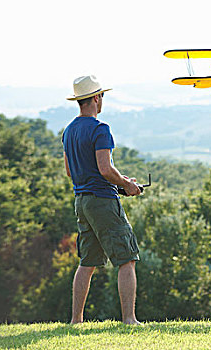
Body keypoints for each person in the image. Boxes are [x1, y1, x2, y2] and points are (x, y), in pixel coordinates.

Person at [62, 75, 142, 325]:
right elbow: (105, 169)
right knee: (126, 258)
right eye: (102, 96)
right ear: (96, 98)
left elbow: (69, 171)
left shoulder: (69, 131)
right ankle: (129, 319)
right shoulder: (100, 129)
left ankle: (76, 321)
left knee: (87, 262)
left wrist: (116, 180)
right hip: (102, 202)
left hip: (81, 202)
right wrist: (126, 184)